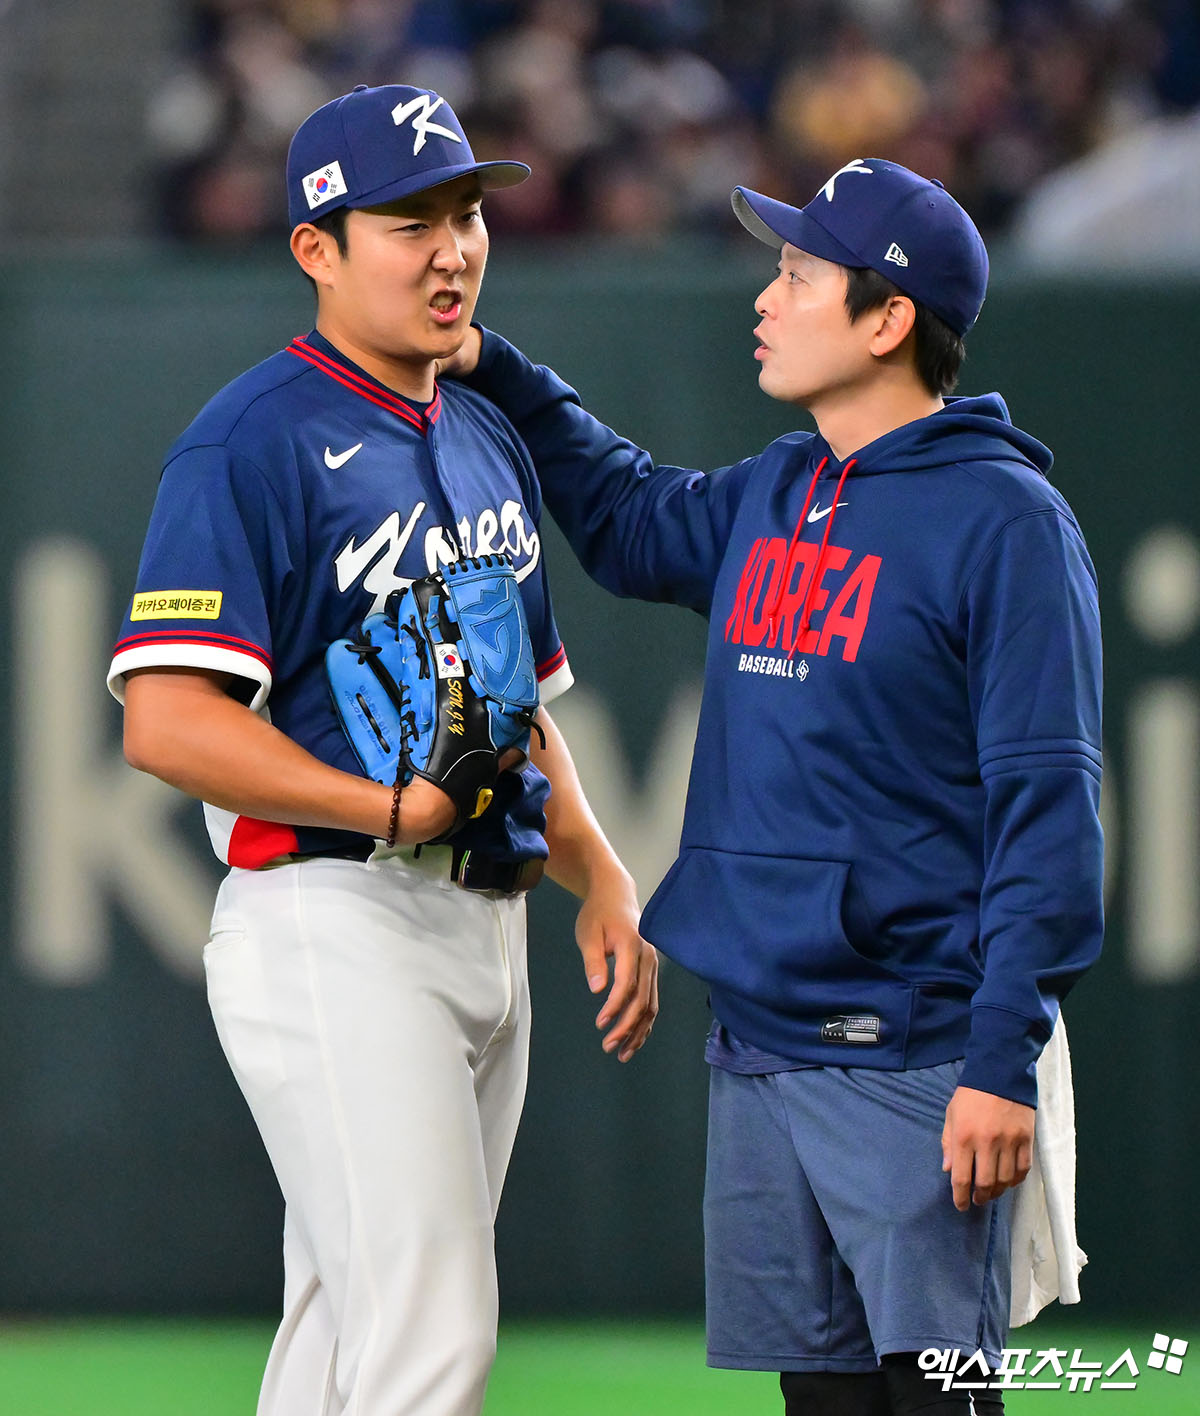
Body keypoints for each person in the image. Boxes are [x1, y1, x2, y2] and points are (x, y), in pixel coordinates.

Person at [447, 159, 1103, 1414]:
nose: (767, 296)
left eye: (799, 274)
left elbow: (1051, 813)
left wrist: (1000, 1063)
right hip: (760, 1055)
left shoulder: (1007, 522)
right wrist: (495, 366)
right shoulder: (779, 489)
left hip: (914, 1060)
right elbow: (630, 517)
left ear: (888, 317)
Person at [109, 83, 658, 1416]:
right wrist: (391, 807)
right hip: (331, 915)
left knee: (348, 1336)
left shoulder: (483, 436)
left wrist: (600, 871)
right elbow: (166, 721)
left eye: (467, 213)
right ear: (317, 248)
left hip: (482, 923)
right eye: (409, 221)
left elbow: (517, 699)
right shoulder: (250, 441)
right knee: (432, 1337)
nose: (454, 248)